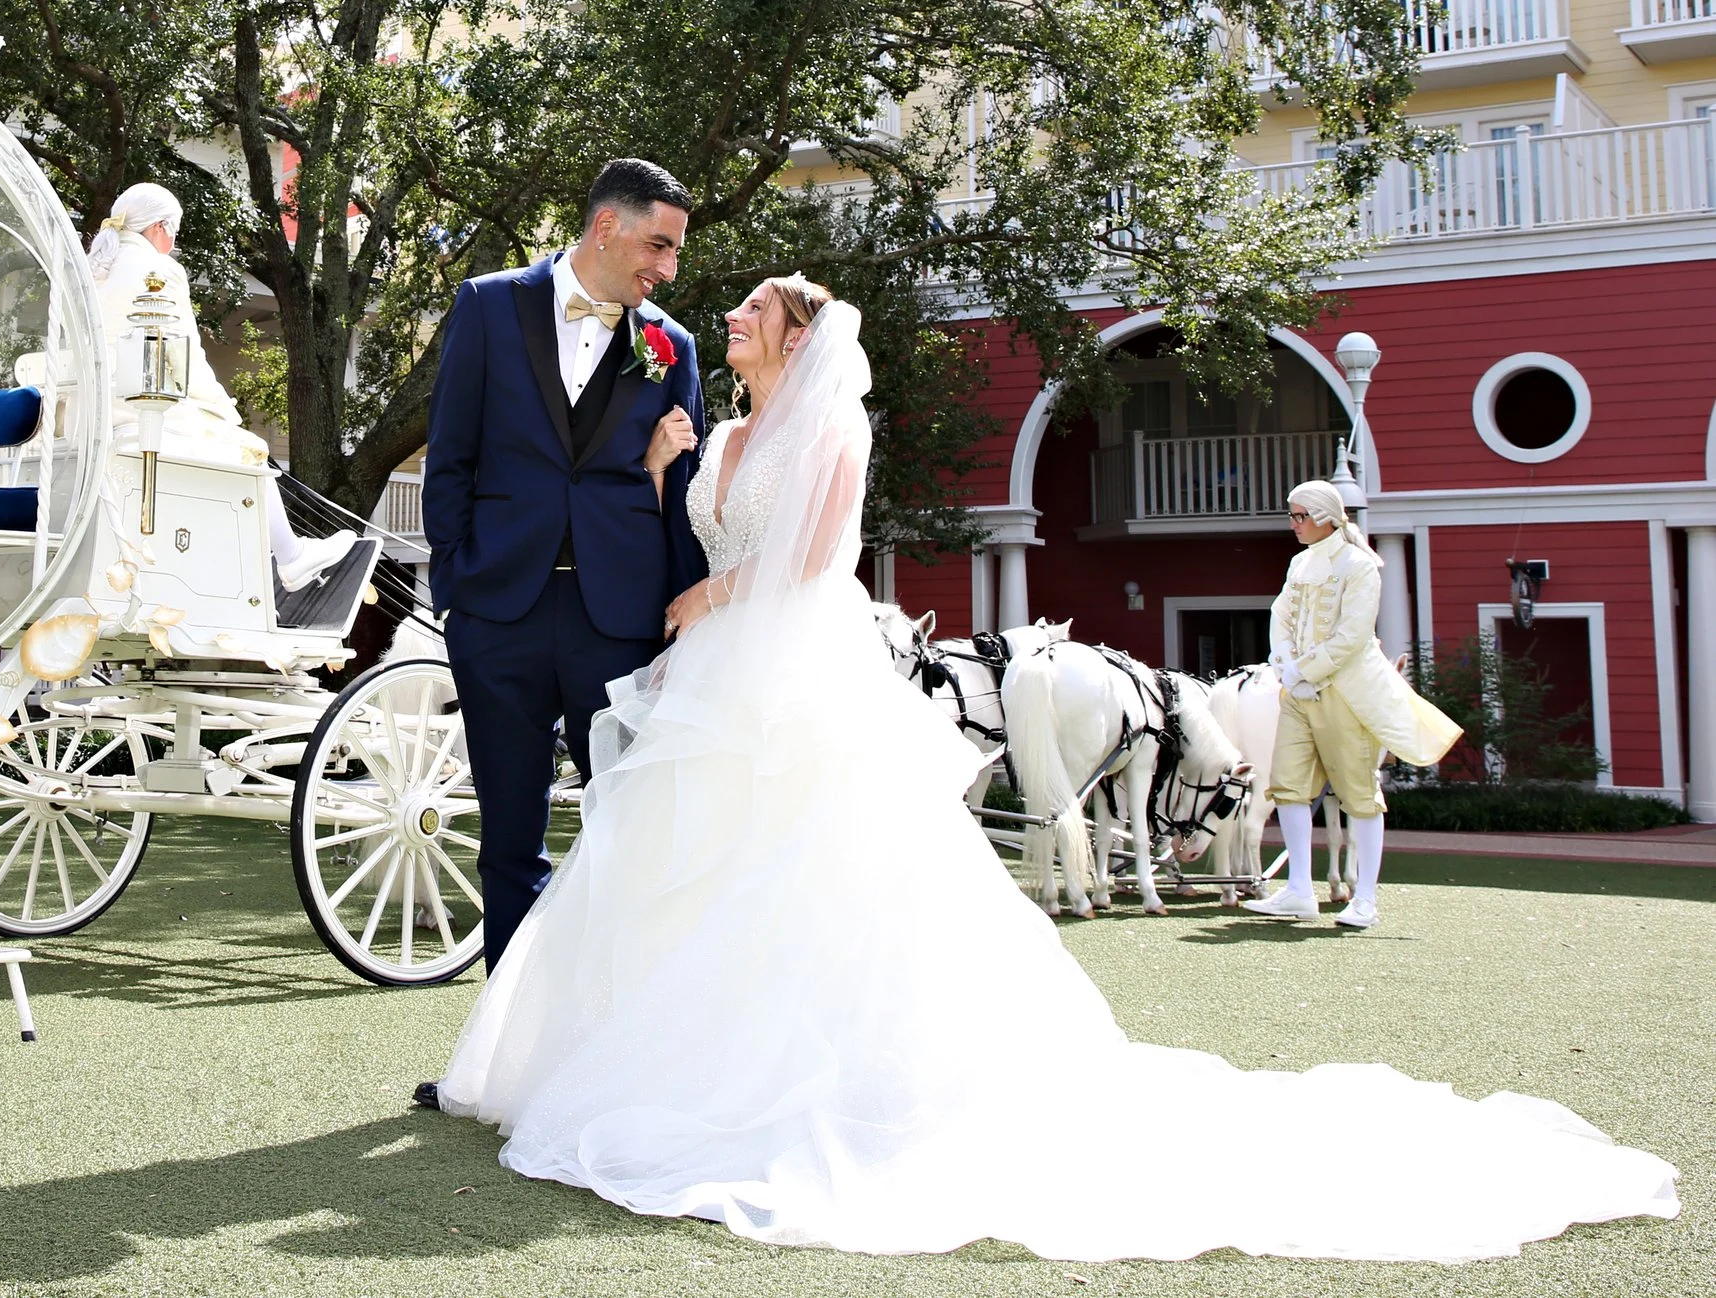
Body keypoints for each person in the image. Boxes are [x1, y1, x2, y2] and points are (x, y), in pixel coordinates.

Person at [429, 281, 1679, 1261]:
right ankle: (649, 1052)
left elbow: (808, 566)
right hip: (713, 676)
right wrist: (666, 478)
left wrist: (711, 586)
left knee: (790, 869)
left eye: (754, 308)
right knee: (679, 866)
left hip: (783, 671)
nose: (730, 318)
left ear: (796, 338)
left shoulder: (830, 437)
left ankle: (791, 1076)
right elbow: (691, 530)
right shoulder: (717, 432)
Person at [418, 159, 709, 991]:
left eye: (677, 254)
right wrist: (460, 586)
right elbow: (452, 457)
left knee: (629, 832)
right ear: (606, 226)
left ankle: (617, 1041)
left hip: (616, 620)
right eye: (660, 245)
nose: (667, 269)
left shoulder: (670, 344)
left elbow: (680, 487)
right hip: (498, 612)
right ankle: (504, 1057)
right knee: (509, 839)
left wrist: (680, 611)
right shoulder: (486, 304)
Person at [90, 182, 350, 591]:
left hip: (93, 411)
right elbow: (184, 356)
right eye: (174, 230)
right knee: (248, 446)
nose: (174, 241)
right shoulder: (161, 272)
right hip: (144, 413)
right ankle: (291, 557)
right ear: (160, 227)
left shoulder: (93, 272)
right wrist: (224, 409)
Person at [1243, 479, 1420, 929]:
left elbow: (1353, 635)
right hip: (1299, 694)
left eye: (1301, 516)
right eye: (1292, 515)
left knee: (1359, 794)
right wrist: (1284, 665)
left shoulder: (1360, 565)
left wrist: (1304, 670)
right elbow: (1279, 615)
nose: (1294, 524)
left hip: (1345, 693)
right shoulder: (1300, 563)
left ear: (1326, 516)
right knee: (1287, 786)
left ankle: (1365, 899)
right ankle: (1300, 891)